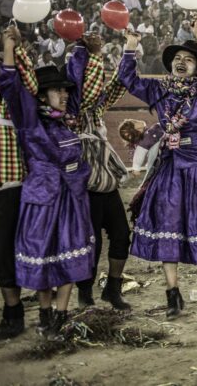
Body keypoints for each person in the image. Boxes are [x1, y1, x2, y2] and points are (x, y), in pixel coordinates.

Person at [118, 17, 197, 319]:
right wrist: (131, 47)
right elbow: (129, 79)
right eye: (177, 59)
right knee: (167, 225)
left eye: (188, 59)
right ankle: (173, 294)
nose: (181, 62)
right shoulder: (159, 90)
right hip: (171, 167)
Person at [0, 27, 94, 340]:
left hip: (72, 197)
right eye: (58, 91)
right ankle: (44, 312)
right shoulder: (30, 119)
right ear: (41, 95)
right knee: (43, 255)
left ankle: (61, 314)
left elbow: (77, 81)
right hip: (42, 197)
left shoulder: (69, 116)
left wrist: (81, 48)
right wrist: (9, 50)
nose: (65, 95)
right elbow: (12, 88)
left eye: (65, 91)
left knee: (71, 254)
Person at [66, 33, 132, 310]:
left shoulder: (94, 108)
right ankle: (85, 292)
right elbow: (89, 89)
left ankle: (112, 289)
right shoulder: (74, 109)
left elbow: (116, 84)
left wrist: (130, 51)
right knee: (89, 242)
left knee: (121, 235)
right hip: (85, 187)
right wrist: (93, 52)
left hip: (104, 184)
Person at [0, 41, 35, 339]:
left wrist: (11, 49)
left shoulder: (7, 103)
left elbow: (21, 81)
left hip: (7, 190)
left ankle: (13, 314)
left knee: (2, 257)